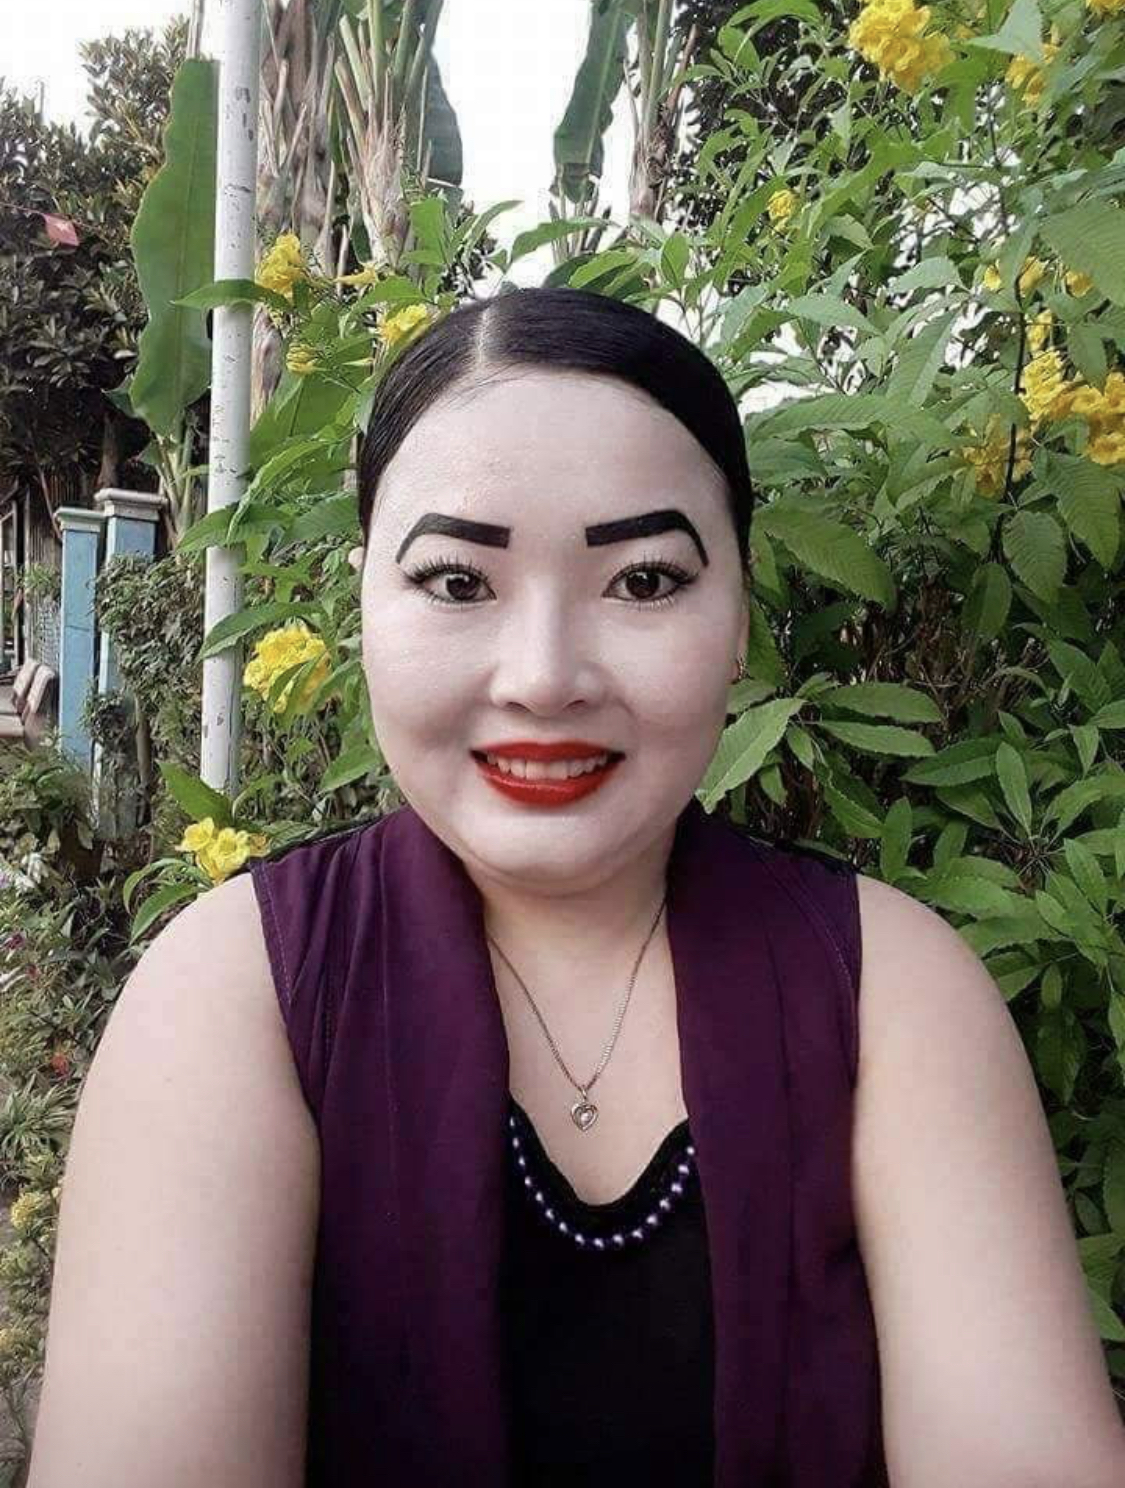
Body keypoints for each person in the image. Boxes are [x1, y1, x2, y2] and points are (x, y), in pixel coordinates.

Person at [26, 287, 1125, 1488]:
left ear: (740, 612)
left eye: (643, 582)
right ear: (363, 604)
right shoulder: (240, 995)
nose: (545, 679)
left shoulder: (891, 997)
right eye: (459, 582)